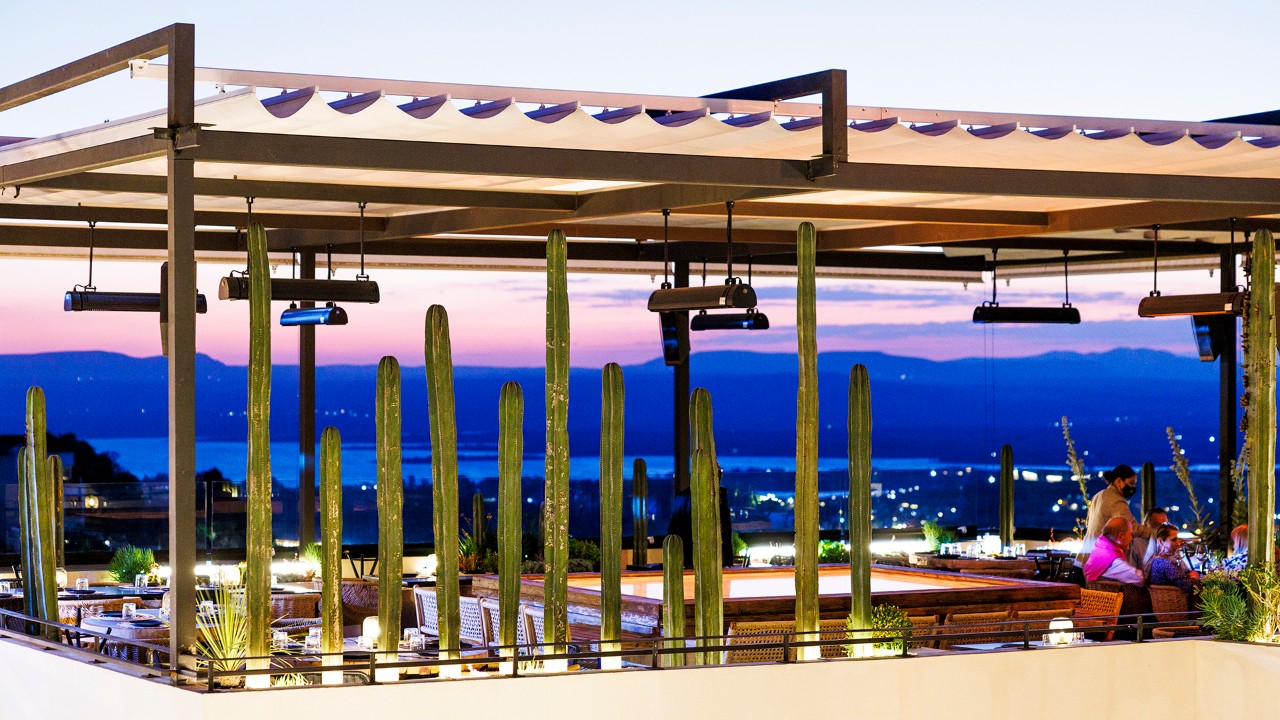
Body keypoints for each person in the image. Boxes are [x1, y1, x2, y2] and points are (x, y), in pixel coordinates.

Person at [1079, 464, 1157, 557]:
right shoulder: (1115, 500)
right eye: (1131, 483)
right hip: (1098, 560)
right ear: (1119, 481)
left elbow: (1088, 523)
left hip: (1084, 556)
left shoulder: (1098, 495)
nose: (1133, 488)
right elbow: (1133, 528)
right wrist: (1159, 534)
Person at [1083, 517, 1145, 586]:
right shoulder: (1111, 561)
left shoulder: (1101, 547)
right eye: (1130, 534)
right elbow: (1140, 578)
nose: (1132, 539)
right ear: (1120, 536)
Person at [1144, 523, 1201, 593]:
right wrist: (1194, 577)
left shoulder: (1156, 560)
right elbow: (1192, 587)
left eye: (1177, 539)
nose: (1178, 543)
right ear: (1161, 541)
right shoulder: (1165, 564)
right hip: (1175, 603)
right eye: (1174, 540)